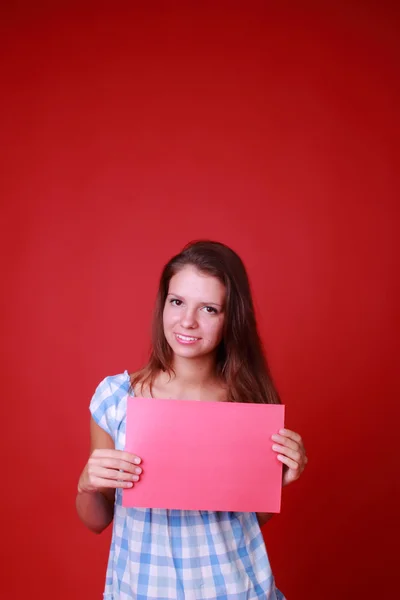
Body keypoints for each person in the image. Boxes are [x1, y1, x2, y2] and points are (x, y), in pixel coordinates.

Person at [76, 240, 308, 600]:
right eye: (177, 301)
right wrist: (87, 483)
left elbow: (244, 524)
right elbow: (96, 520)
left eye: (210, 309)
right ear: (163, 304)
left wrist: (279, 482)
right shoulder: (117, 398)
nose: (187, 321)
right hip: (142, 590)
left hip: (235, 589)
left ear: (232, 317)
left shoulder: (250, 403)